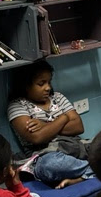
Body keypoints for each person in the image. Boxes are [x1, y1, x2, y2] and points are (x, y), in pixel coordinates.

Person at [7, 59, 94, 189]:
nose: (48, 88)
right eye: (41, 83)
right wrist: (64, 118)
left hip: (74, 146)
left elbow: (78, 126)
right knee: (51, 165)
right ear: (25, 85)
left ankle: (85, 172)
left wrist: (44, 125)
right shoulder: (17, 105)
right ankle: (95, 169)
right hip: (47, 155)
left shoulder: (57, 97)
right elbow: (37, 137)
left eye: (49, 82)